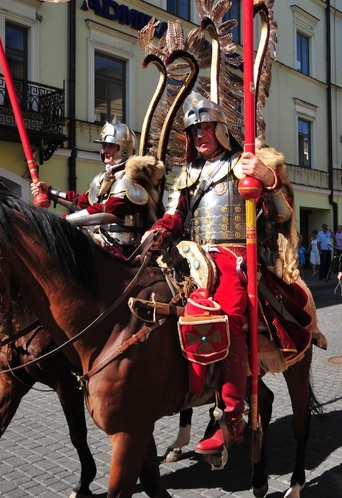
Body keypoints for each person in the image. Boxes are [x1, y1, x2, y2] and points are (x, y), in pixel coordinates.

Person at [144, 92, 295, 455]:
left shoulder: (239, 165)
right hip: (191, 256)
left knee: (226, 315)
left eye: (206, 128)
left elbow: (282, 215)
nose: (200, 136)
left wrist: (267, 179)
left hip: (233, 254)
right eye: (194, 131)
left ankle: (232, 415)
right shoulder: (188, 172)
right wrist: (162, 228)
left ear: (222, 130)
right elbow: (176, 214)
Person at [31, 121, 164, 259]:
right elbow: (82, 202)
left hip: (128, 253)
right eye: (104, 145)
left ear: (124, 149)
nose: (105, 150)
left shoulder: (133, 179)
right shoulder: (103, 178)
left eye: (111, 146)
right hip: (106, 245)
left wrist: (64, 220)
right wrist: (50, 192)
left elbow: (110, 210)